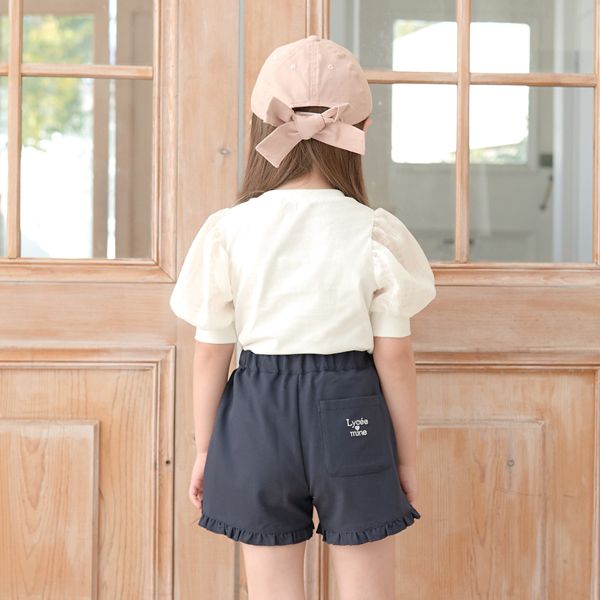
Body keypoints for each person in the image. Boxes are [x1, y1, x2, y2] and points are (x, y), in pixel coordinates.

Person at [170, 34, 437, 600]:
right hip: (351, 407)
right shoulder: (373, 232)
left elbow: (211, 351)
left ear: (261, 127)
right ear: (361, 130)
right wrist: (406, 459)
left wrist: (206, 449)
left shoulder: (228, 231)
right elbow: (394, 355)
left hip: (256, 414)